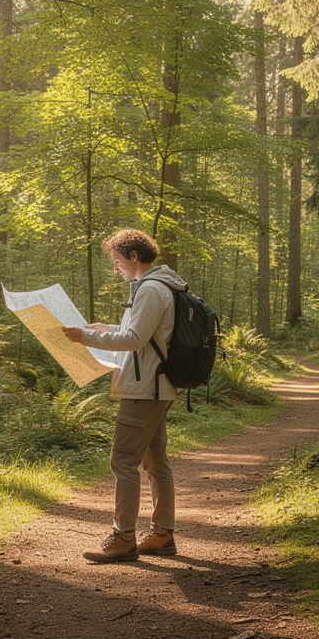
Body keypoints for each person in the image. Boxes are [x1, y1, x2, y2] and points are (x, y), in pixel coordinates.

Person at [62, 228, 187, 562]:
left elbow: (134, 340)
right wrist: (107, 330)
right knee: (155, 460)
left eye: (117, 261)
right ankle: (162, 534)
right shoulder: (160, 286)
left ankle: (123, 538)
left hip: (144, 388)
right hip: (156, 386)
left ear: (133, 256)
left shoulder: (150, 289)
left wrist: (85, 336)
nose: (115, 268)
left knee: (123, 461)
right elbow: (141, 335)